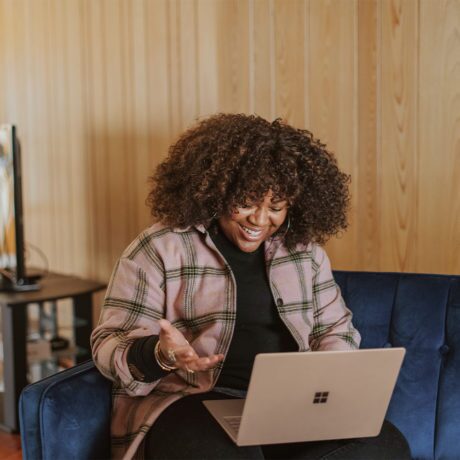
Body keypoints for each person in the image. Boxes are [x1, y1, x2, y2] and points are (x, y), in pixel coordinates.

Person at [91, 114, 411, 460]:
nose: (259, 220)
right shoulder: (160, 248)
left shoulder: (306, 254)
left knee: (385, 446)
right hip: (191, 402)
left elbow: (334, 329)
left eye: (276, 207)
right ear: (217, 191)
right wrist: (160, 353)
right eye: (246, 202)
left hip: (289, 406)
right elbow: (108, 345)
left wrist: (328, 378)